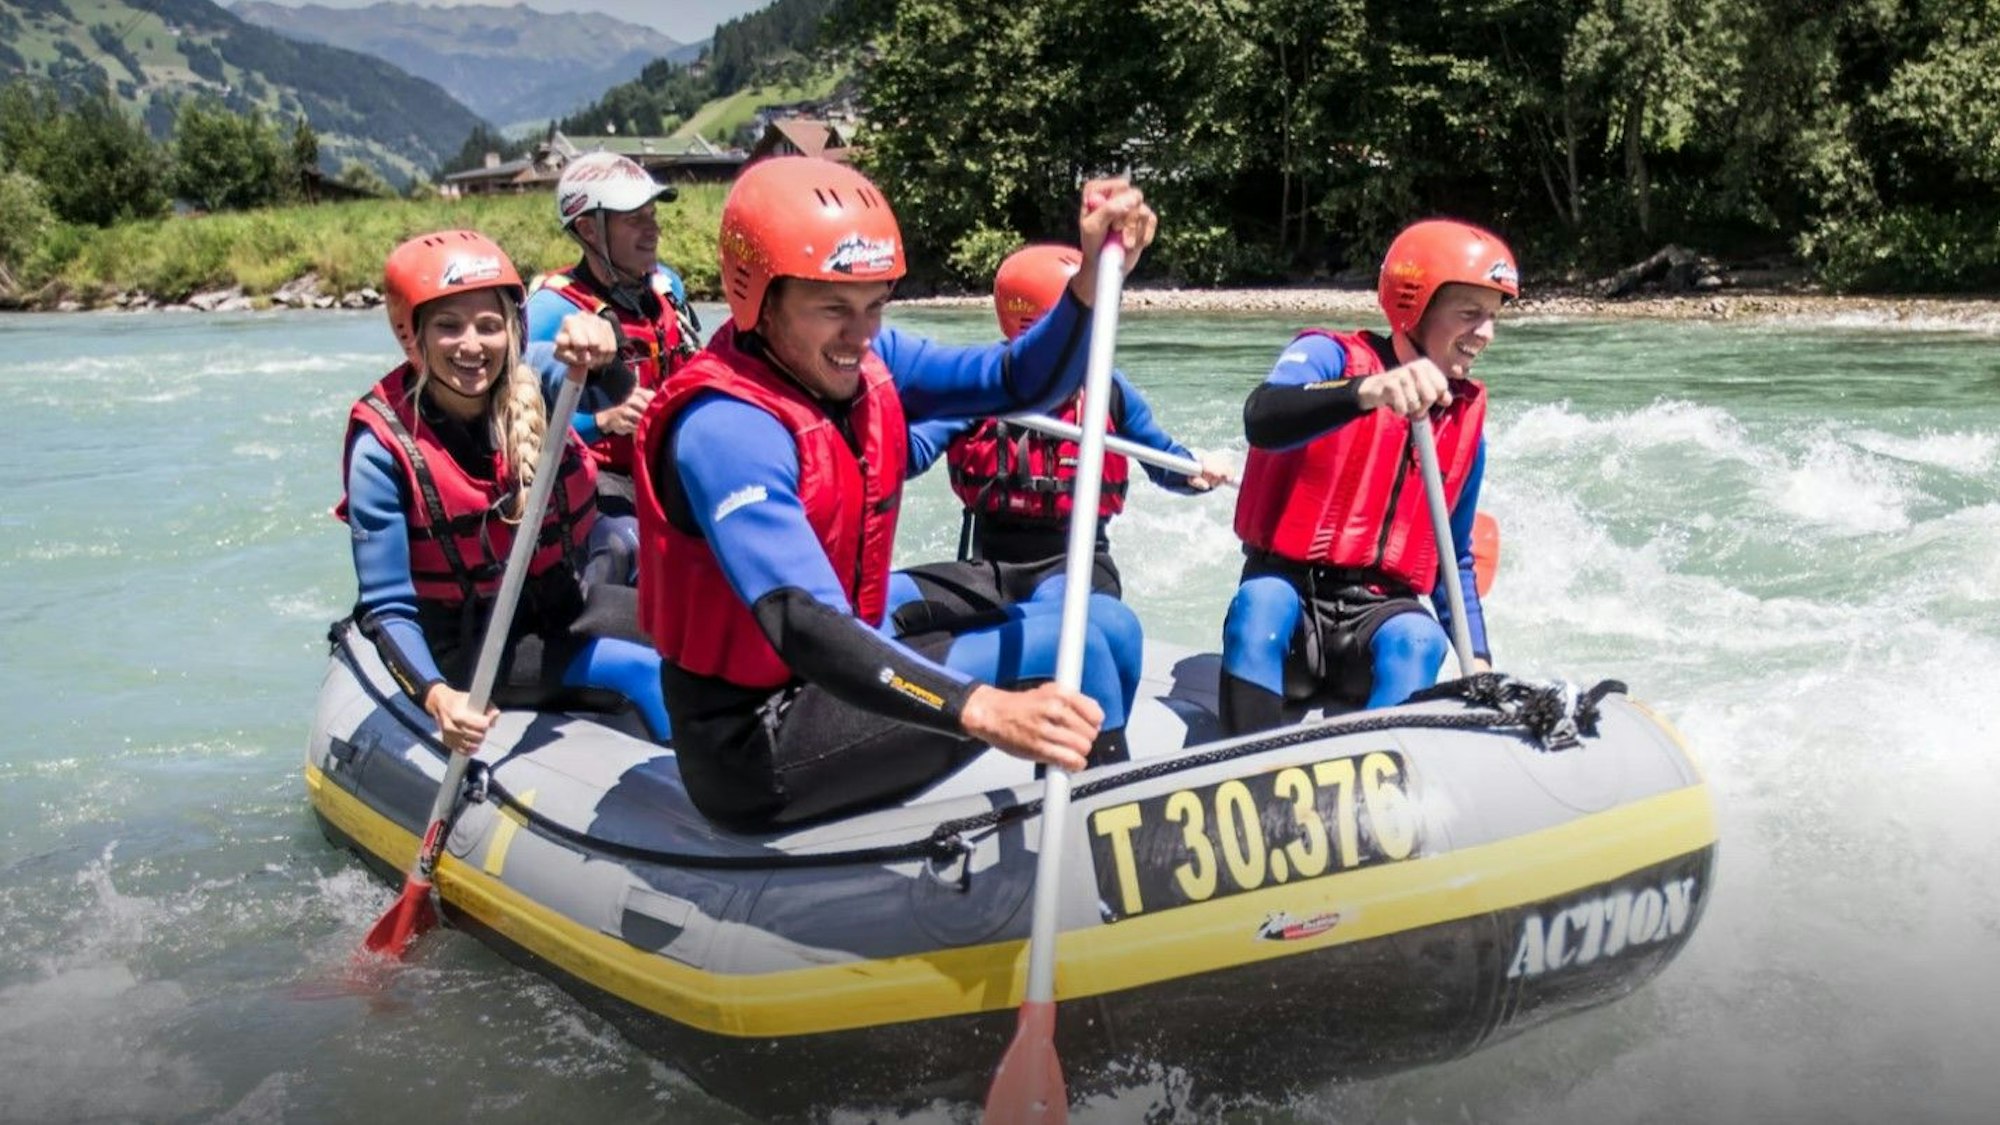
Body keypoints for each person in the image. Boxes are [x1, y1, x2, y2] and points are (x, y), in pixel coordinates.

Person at [632, 157, 1158, 831]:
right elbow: (803, 622)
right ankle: (1112, 850)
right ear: (755, 296)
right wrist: (979, 706)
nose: (861, 334)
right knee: (1075, 650)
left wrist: (1089, 281)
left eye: (875, 304)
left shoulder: (865, 356)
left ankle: (1092, 812)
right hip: (756, 739)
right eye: (833, 309)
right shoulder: (725, 427)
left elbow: (1020, 381)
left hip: (838, 667)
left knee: (1106, 620)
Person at [340, 229, 671, 754]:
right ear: (413, 336)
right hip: (476, 643)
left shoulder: (535, 371)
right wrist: (436, 696)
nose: (472, 346)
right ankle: (701, 822)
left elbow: (611, 388)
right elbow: (386, 607)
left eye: (489, 326)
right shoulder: (381, 447)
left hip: (560, 603)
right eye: (449, 327)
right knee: (641, 668)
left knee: (694, 636)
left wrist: (603, 343)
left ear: (511, 329)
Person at [1218, 219, 1516, 736]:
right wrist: (1368, 392)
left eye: (1491, 318)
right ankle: (1243, 766)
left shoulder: (1466, 426)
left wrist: (1481, 661)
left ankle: (1377, 788)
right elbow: (1262, 417)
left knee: (1421, 641)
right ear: (1414, 308)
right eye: (1469, 314)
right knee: (1258, 605)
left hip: (1378, 615)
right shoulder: (1326, 356)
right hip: (1293, 600)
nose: (1484, 333)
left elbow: (1455, 555)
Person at [908, 243, 1232, 606]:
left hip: (1081, 565)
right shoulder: (981, 384)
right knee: (892, 602)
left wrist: (1198, 472)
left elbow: (1165, 462)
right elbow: (911, 451)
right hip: (990, 567)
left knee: (1049, 617)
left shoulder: (1109, 389)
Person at [525, 151, 703, 587]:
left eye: (652, 214)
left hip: (667, 465)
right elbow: (512, 424)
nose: (653, 229)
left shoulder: (668, 286)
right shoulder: (549, 311)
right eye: (634, 219)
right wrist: (601, 421)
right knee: (624, 546)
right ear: (588, 229)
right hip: (599, 479)